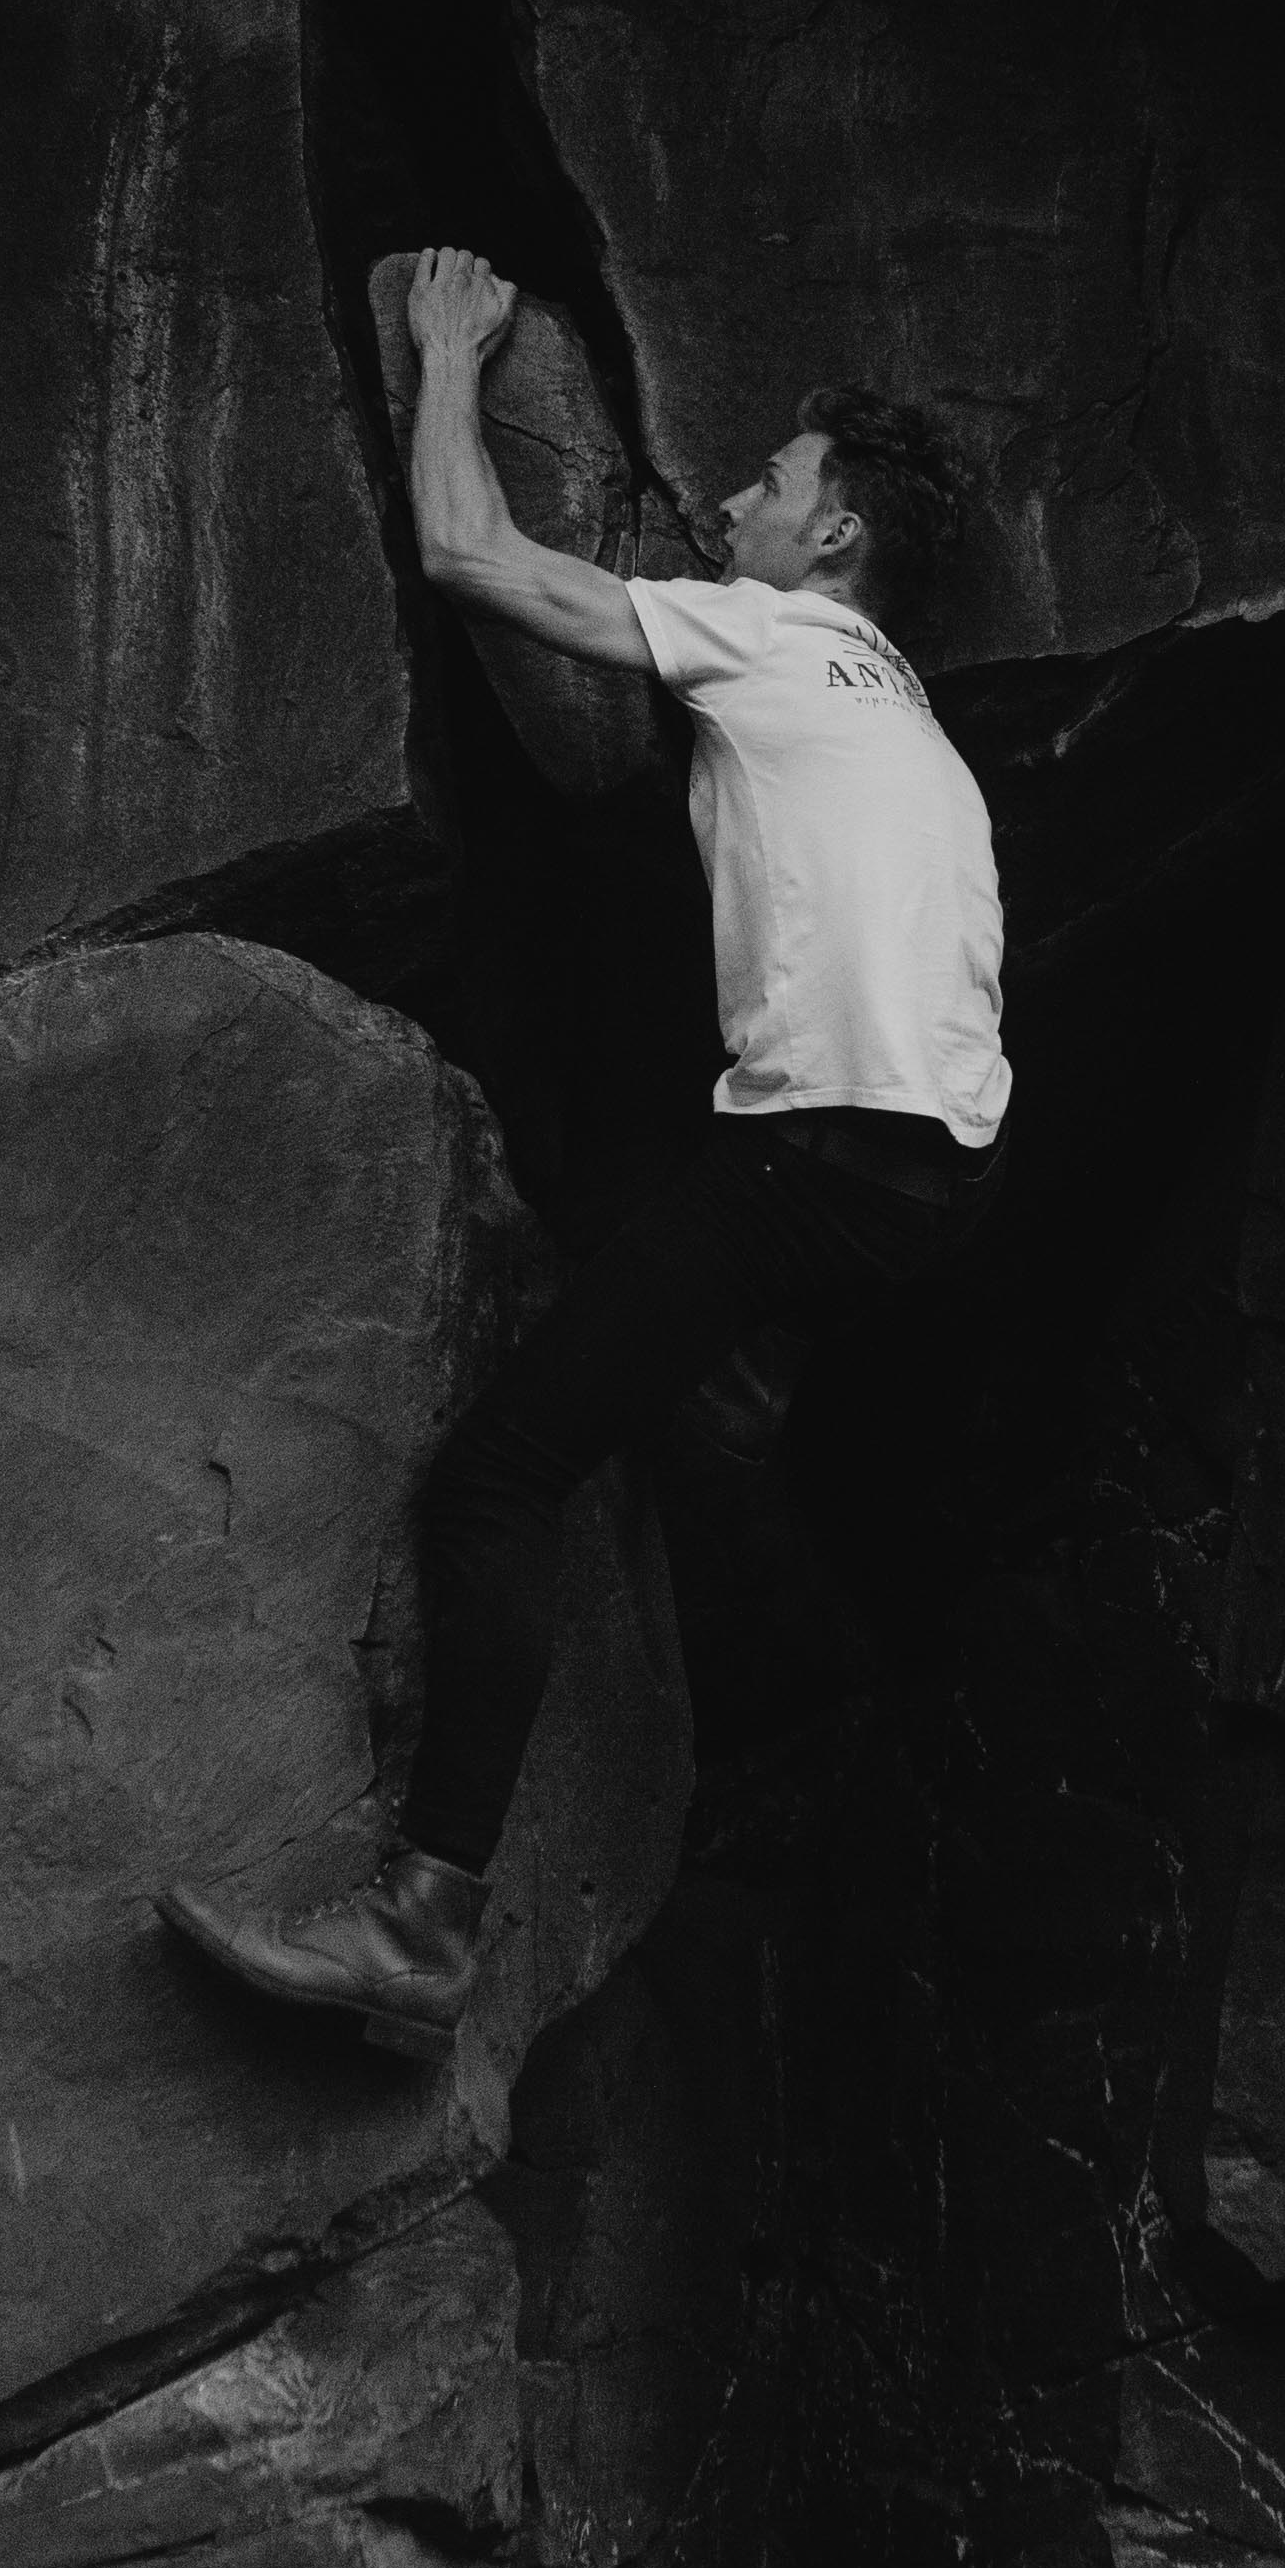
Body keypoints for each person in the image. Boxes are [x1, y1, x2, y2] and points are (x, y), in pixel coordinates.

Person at [158, 242, 1010, 2051]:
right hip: (933, 1189)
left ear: (835, 541)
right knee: (656, 1248)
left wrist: (454, 357)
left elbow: (475, 563)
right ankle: (737, 1410)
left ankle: (422, 1927)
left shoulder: (773, 635)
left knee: (499, 1476)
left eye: (772, 486)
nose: (727, 504)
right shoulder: (918, 728)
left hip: (819, 1166)